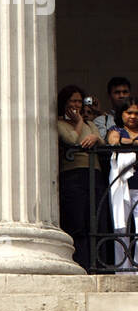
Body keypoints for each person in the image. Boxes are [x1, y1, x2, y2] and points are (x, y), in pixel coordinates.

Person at [58, 84, 105, 272]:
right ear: (64, 104)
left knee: (95, 218)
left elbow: (101, 140)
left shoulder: (90, 124)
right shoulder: (59, 122)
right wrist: (77, 122)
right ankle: (82, 263)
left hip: (94, 175)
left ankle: (98, 264)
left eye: (79, 101)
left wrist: (94, 138)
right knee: (77, 220)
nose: (76, 105)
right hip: (73, 175)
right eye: (72, 101)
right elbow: (71, 140)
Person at [107, 100, 138, 272]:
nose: (133, 116)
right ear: (121, 114)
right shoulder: (116, 130)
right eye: (129, 112)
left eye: (136, 113)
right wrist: (134, 143)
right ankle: (124, 271)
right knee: (121, 229)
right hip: (123, 184)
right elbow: (114, 141)